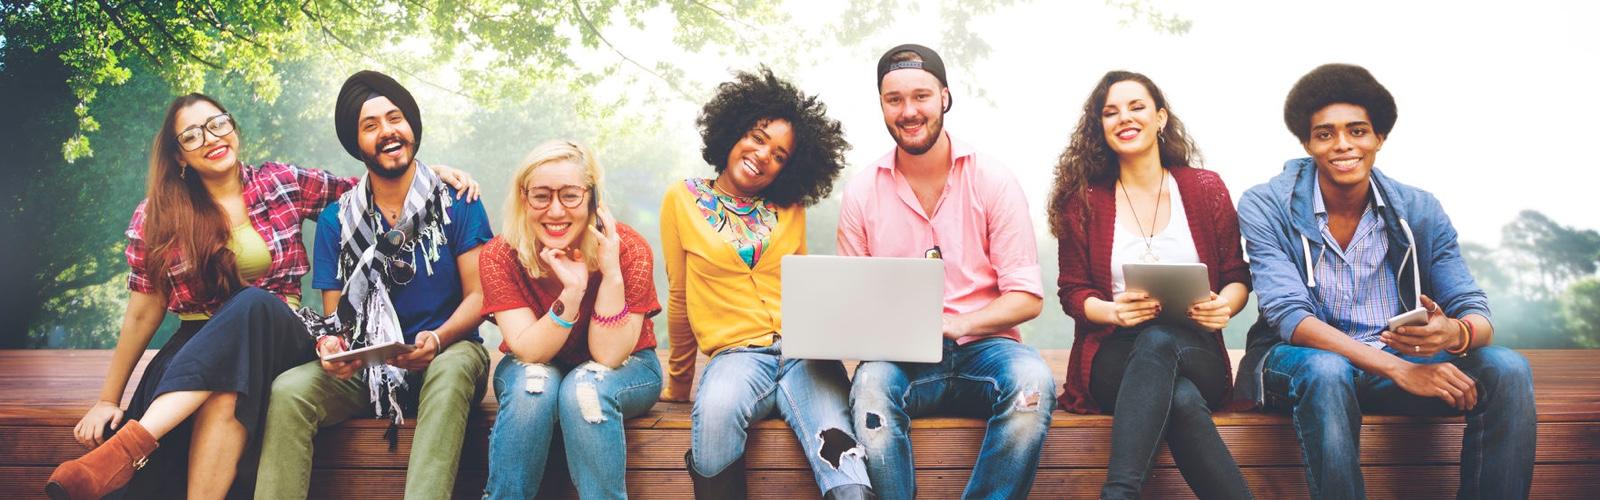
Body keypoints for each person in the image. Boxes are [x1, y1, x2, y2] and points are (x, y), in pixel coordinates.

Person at [46, 92, 476, 500]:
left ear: (233, 128)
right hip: (199, 347)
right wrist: (108, 398)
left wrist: (428, 172)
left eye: (217, 125)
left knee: (253, 304)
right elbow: (142, 314)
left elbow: (369, 187)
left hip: (282, 333)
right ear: (178, 155)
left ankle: (124, 451)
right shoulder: (156, 214)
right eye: (193, 135)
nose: (211, 139)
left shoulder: (281, 182)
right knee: (228, 382)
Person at [1234, 63, 1536, 499]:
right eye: (1325, 134)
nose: (1343, 145)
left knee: (1507, 367)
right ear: (1306, 142)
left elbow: (1472, 307)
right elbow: (1289, 316)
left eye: (1357, 131)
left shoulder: (1418, 208)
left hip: (1394, 365)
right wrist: (1401, 369)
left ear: (1379, 138)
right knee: (1327, 368)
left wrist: (1454, 333)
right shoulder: (1266, 204)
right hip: (1301, 365)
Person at [255, 70, 494, 500]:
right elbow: (337, 319)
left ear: (412, 127)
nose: (387, 132)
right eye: (371, 126)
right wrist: (334, 350)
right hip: (372, 369)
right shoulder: (335, 220)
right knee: (289, 390)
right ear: (356, 142)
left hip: (448, 352)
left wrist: (437, 339)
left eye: (395, 118)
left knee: (453, 366)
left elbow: (480, 297)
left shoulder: (457, 201)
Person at [840, 44, 1055, 500]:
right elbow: (851, 304)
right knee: (872, 388)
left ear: (945, 97)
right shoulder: (861, 192)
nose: (909, 111)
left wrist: (959, 323)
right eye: (893, 99)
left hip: (988, 350)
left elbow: (1027, 298)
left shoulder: (993, 179)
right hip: (901, 358)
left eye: (921, 96)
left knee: (1033, 384)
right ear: (881, 105)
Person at [660, 68, 871, 499]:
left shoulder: (790, 207)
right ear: (734, 131)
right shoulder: (681, 198)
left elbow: (803, 285)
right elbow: (679, 294)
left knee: (842, 455)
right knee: (716, 410)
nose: (763, 155)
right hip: (736, 356)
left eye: (779, 155)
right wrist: (680, 382)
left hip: (805, 356)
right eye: (758, 137)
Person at [1049, 70, 1253, 499]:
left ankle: (1119, 492)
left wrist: (1225, 307)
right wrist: (1112, 311)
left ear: (1160, 118)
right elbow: (1073, 292)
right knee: (1178, 397)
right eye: (1111, 112)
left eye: (1136, 107)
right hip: (1113, 356)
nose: (1125, 117)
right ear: (1100, 128)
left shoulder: (1204, 189)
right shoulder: (1084, 199)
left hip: (1197, 352)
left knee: (1162, 341)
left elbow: (1237, 276)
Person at [478, 139, 662, 499]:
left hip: (629, 365)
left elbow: (609, 356)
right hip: (536, 361)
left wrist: (610, 274)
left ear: (592, 198)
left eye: (570, 196)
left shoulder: (631, 248)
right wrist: (572, 292)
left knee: (584, 389)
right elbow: (530, 350)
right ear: (524, 197)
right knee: (534, 388)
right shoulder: (499, 255)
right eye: (542, 196)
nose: (556, 211)